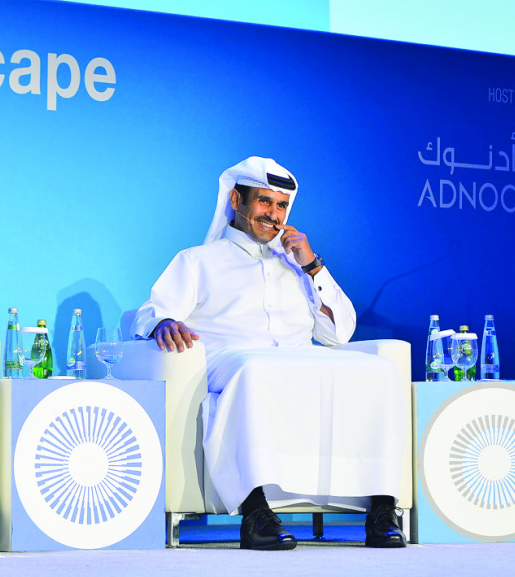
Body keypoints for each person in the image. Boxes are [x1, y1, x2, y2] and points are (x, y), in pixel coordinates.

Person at [131, 156, 407, 550]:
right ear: (236, 200)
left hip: (298, 358)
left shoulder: (297, 266)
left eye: (281, 206)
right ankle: (255, 510)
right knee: (256, 368)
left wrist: (312, 266)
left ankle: (382, 507)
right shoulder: (198, 260)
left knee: (378, 371)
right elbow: (149, 310)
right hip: (230, 359)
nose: (273, 215)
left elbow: (338, 333)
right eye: (264, 202)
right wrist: (162, 323)